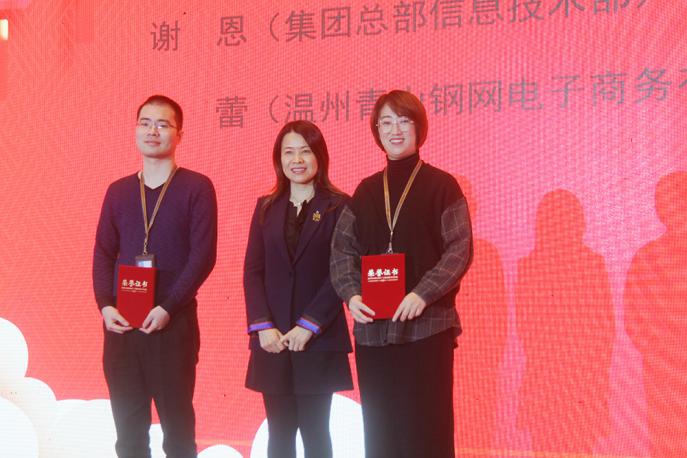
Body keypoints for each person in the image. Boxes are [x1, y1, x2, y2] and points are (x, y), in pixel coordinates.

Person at [330, 90, 472, 458]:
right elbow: (341, 251)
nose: (395, 130)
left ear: (419, 128)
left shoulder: (443, 186)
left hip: (427, 327)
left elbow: (459, 250)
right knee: (381, 432)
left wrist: (422, 294)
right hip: (374, 331)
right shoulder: (365, 191)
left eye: (404, 121)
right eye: (387, 122)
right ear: (376, 130)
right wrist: (352, 295)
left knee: (428, 430)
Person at [93, 95, 217, 458]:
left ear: (180, 134)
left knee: (178, 434)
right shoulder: (118, 191)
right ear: (135, 130)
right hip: (122, 327)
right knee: (129, 436)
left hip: (171, 325)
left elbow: (203, 257)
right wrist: (105, 306)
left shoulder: (197, 187)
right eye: (145, 123)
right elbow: (103, 253)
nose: (153, 131)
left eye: (163, 124)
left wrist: (168, 307)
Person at [243, 120, 353, 458]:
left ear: (320, 156)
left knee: (316, 432)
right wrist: (262, 326)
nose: (297, 160)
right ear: (279, 159)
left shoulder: (339, 206)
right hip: (272, 340)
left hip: (318, 340)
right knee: (279, 433)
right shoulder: (266, 207)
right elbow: (253, 270)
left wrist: (309, 325)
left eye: (305, 151)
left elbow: (342, 272)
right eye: (289, 152)